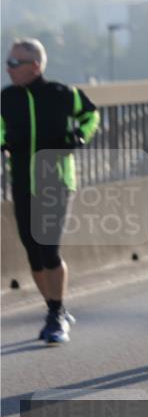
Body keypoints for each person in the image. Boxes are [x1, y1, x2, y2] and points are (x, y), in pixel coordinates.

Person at [1, 38, 99, 344]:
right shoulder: (6, 97)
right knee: (33, 252)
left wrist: (80, 137)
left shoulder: (62, 94)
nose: (8, 67)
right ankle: (55, 307)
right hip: (21, 183)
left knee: (48, 248)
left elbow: (91, 115)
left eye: (15, 63)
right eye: (8, 61)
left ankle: (56, 315)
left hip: (56, 182)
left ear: (35, 66)